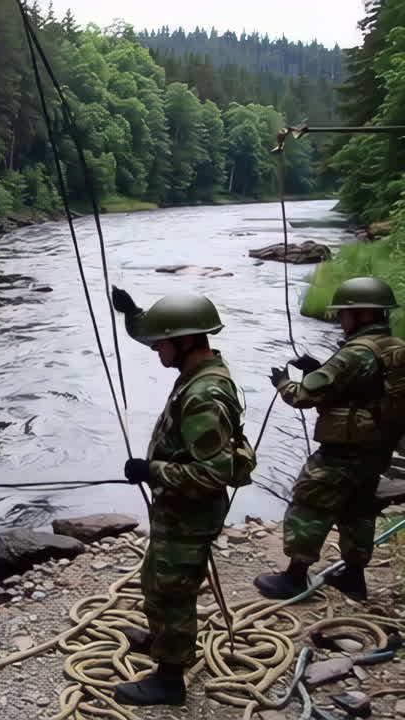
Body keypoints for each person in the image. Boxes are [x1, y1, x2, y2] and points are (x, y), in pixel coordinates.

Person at [109, 287, 252, 707]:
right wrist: (133, 314)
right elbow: (158, 336)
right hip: (180, 509)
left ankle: (170, 679)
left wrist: (151, 471)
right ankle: (163, 639)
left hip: (189, 512)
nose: (156, 350)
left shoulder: (203, 395)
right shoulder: (200, 369)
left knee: (172, 591)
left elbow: (212, 474)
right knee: (156, 580)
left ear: (186, 341)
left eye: (162, 343)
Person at [254, 277, 405, 602]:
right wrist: (318, 367)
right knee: (358, 509)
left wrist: (283, 383)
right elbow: (367, 388)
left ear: (361, 314)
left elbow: (304, 396)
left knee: (309, 503)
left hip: (342, 451)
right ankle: (353, 577)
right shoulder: (395, 347)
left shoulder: (355, 353)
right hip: (377, 449)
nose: (340, 319)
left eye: (344, 313)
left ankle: (294, 578)